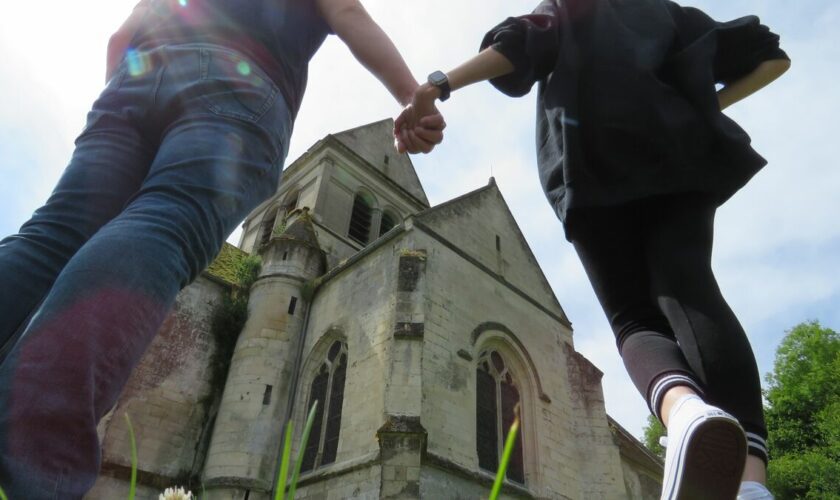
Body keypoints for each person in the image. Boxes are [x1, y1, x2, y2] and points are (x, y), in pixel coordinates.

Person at [0, 0, 444, 497]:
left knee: (51, 235)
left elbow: (119, 37)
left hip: (138, 77)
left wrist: (127, 87)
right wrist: (411, 95)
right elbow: (345, 11)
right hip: (242, 86)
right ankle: (38, 453)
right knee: (163, 223)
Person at [396, 0, 789, 498]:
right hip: (679, 154)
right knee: (691, 290)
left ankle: (684, 411)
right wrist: (701, 108)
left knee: (633, 318)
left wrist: (436, 86)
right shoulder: (670, 15)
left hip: (591, 160)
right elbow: (773, 58)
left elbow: (516, 46)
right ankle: (752, 483)